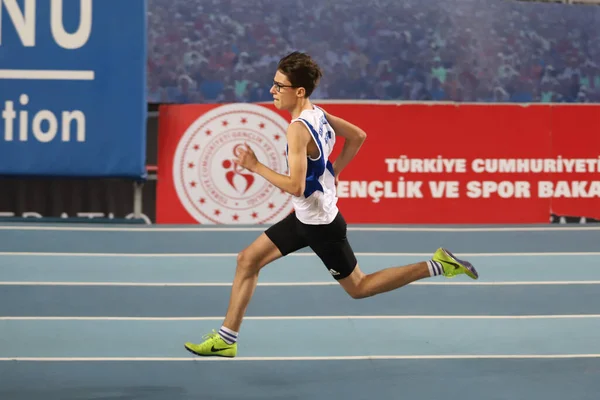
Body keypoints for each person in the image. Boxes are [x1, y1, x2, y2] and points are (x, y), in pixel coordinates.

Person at [184, 52, 478, 358]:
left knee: (359, 288)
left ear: (299, 91)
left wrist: (255, 166)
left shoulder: (298, 128)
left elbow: (296, 187)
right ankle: (226, 339)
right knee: (247, 260)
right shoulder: (318, 114)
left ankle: (438, 264)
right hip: (306, 217)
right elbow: (358, 137)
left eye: (278, 86)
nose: (272, 91)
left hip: (320, 225)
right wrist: (331, 172)